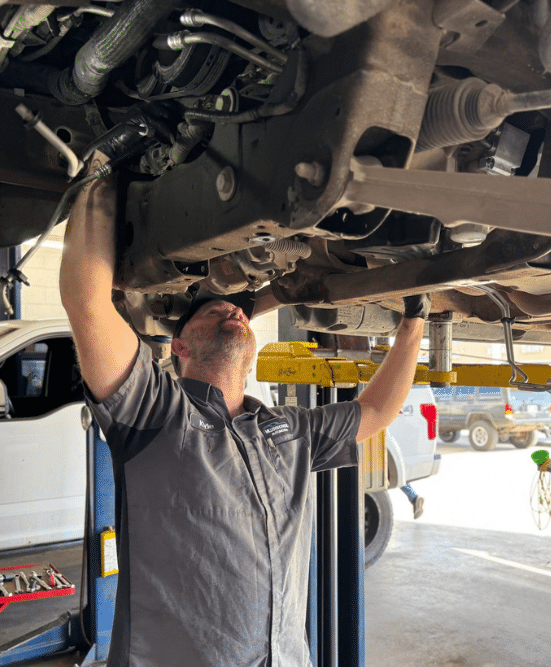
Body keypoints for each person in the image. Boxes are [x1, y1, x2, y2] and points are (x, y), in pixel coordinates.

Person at [59, 155, 429, 667]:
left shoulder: (288, 433)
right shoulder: (154, 414)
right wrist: (103, 172)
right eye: (212, 312)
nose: (231, 309)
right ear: (179, 348)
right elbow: (87, 299)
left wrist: (415, 320)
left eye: (236, 309)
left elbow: (376, 410)